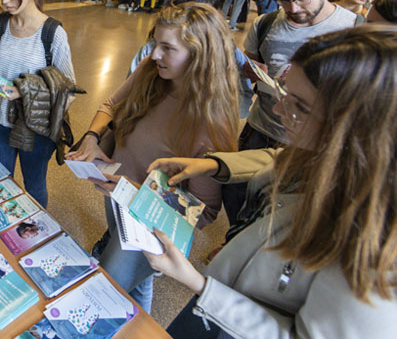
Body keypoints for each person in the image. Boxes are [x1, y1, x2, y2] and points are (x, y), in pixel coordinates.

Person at [144, 24, 397, 339]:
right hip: (221, 302)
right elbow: (279, 160)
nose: (279, 110)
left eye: (299, 107)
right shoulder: (333, 157)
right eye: (285, 95)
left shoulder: (375, 253)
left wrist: (198, 284)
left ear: (360, 129)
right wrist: (212, 163)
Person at [66, 3, 239, 313]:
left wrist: (133, 191)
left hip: (148, 224)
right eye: (155, 43)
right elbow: (111, 104)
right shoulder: (152, 71)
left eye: (167, 48)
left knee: (103, 292)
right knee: (138, 281)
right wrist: (92, 138)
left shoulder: (211, 125)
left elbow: (203, 212)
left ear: (199, 55)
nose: (155, 54)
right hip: (116, 196)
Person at [226, 0, 359, 227]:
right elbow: (252, 65)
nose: (294, 8)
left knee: (290, 211)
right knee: (238, 194)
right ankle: (237, 241)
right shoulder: (265, 24)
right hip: (261, 129)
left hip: (314, 141)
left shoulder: (354, 30)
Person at [0, 0, 75, 208]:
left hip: (35, 127)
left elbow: (69, 90)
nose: (5, 0)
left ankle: (36, 233)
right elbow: (0, 65)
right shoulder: (3, 22)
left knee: (34, 186)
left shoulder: (52, 33)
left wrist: (25, 92)